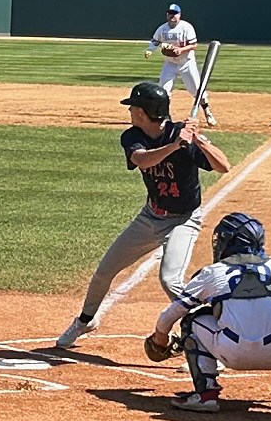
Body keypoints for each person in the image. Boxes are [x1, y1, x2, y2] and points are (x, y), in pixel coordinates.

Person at [53, 80, 230, 349]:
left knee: (170, 279)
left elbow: (223, 166)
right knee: (105, 270)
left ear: (143, 113)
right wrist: (174, 146)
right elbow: (143, 160)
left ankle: (208, 338)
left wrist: (199, 141)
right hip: (150, 216)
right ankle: (85, 320)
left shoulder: (183, 135)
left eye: (132, 108)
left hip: (183, 219)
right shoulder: (132, 137)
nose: (129, 112)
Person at [145, 212, 271, 413]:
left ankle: (205, 395)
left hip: (231, 353)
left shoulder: (212, 272)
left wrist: (160, 339)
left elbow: (172, 313)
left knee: (192, 320)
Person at [149, 3, 215, 125]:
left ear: (179, 15)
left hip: (186, 63)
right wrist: (150, 50)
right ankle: (165, 118)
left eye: (174, 14)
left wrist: (181, 50)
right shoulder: (162, 28)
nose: (172, 16)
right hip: (170, 64)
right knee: (164, 90)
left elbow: (194, 45)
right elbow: (155, 41)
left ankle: (208, 113)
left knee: (196, 89)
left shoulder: (186, 27)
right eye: (170, 13)